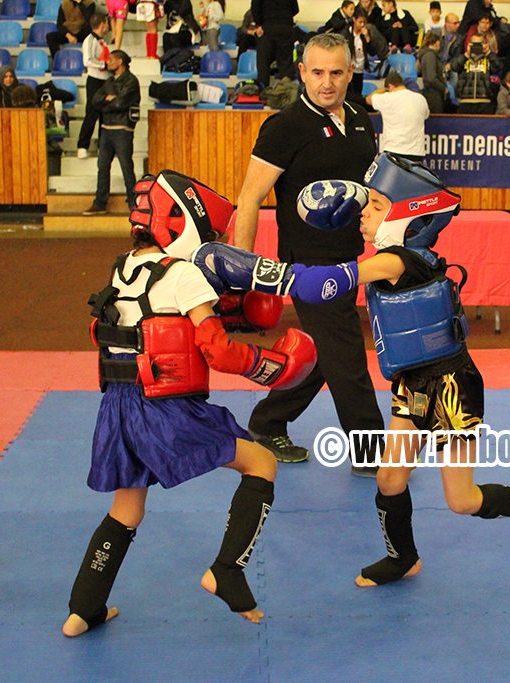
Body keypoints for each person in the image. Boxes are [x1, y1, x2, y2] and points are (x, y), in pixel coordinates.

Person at [194, 153, 510, 589]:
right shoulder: (401, 254)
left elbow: (324, 285)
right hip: (413, 383)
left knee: (462, 500)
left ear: (408, 214)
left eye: (375, 206)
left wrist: (248, 272)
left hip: (452, 386)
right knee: (390, 478)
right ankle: (403, 557)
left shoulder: (400, 262)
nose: (363, 214)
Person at [62, 170, 316, 637]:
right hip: (167, 410)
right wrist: (273, 369)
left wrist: (230, 309)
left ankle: (84, 608)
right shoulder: (183, 273)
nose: (215, 242)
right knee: (261, 462)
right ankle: (227, 570)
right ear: (184, 223)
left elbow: (155, 324)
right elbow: (217, 351)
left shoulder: (122, 268)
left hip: (118, 408)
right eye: (214, 232)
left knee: (126, 510)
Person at [231, 32, 383, 471]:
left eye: (336, 72)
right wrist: (242, 272)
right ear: (302, 72)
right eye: (317, 72)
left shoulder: (358, 119)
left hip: (348, 257)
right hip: (306, 264)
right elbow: (249, 198)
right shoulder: (285, 128)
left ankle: (268, 421)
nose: (326, 82)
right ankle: (371, 452)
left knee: (321, 352)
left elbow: (366, 186)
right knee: (347, 352)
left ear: (350, 73)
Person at [83, 50, 140, 215]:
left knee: (126, 167)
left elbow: (120, 104)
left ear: (120, 61)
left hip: (122, 129)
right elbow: (95, 101)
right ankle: (100, 203)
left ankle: (134, 203)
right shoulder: (109, 80)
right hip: (107, 128)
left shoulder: (131, 80)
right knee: (102, 167)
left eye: (111, 59)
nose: (107, 62)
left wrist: (108, 101)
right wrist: (109, 100)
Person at [367, 70, 429, 162]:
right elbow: (426, 115)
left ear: (390, 86)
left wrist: (384, 89)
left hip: (394, 151)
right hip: (416, 153)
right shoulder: (421, 99)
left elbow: (368, 99)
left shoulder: (387, 98)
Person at [77, 14, 111, 160]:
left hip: (105, 81)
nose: (108, 27)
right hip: (95, 80)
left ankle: (102, 146)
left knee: (105, 114)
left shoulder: (102, 41)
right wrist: (104, 65)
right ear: (102, 24)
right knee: (92, 113)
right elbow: (88, 60)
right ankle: (82, 145)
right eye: (107, 24)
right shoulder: (89, 40)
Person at [252, 0, 299, 87]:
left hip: (267, 29)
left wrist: (259, 24)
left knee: (263, 64)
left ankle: (263, 92)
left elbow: (255, 8)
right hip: (286, 28)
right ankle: (286, 93)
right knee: (286, 65)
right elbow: (295, 9)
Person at [452, 33, 500, 113]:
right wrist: (467, 54)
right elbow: (454, 67)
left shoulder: (489, 59)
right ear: (469, 44)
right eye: (474, 44)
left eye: (479, 44)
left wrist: (488, 52)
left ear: (484, 44)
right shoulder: (463, 58)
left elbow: (498, 66)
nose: (476, 46)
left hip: (484, 101)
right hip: (465, 101)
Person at [347, 11, 387, 97]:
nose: (362, 25)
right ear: (354, 19)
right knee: (349, 93)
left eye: (364, 22)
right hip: (350, 67)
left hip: (360, 67)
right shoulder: (347, 33)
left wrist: (367, 38)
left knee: (358, 92)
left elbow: (372, 52)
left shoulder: (366, 34)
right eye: (360, 22)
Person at [418, 31, 447, 113]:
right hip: (433, 95)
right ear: (437, 42)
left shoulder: (427, 55)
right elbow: (431, 78)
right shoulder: (430, 56)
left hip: (432, 93)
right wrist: (443, 88)